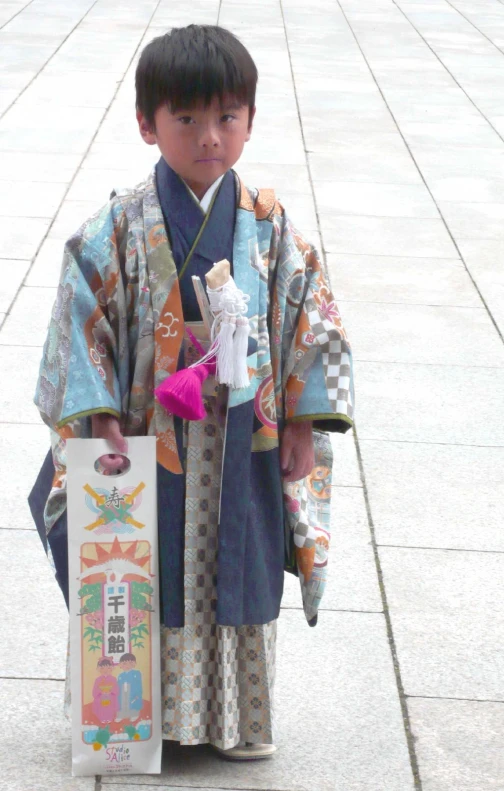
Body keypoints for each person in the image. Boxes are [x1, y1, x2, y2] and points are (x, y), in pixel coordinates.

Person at [30, 25, 354, 761]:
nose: (208, 137)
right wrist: (98, 411)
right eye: (186, 119)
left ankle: (237, 721)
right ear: (148, 124)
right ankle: (144, 718)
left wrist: (304, 414)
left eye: (226, 117)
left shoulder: (271, 229)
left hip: (244, 431)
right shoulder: (114, 227)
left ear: (248, 119)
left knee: (238, 563)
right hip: (147, 430)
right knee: (143, 562)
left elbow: (312, 313)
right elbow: (80, 316)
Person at [116, 653, 143, 723]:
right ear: (120, 665)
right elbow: (118, 685)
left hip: (133, 691)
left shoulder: (136, 673)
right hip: (123, 691)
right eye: (124, 663)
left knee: (133, 703)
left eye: (130, 663)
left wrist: (138, 693)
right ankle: (121, 715)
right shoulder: (120, 675)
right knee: (122, 703)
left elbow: (138, 684)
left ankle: (134, 714)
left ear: (134, 664)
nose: (127, 665)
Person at [92, 658, 118, 724]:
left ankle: (109, 717)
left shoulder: (113, 679)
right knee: (101, 707)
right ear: (99, 669)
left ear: (111, 668)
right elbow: (94, 691)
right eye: (102, 668)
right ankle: (102, 718)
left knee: (110, 707)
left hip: (110, 697)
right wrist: (100, 692)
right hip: (101, 697)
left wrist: (111, 691)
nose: (105, 670)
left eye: (108, 668)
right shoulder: (97, 680)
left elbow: (116, 689)